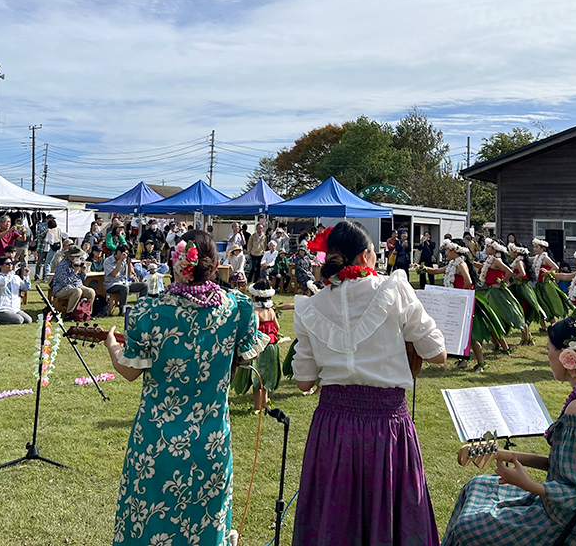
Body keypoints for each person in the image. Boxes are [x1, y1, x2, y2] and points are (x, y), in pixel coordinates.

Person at [103, 229, 267, 546]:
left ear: (175, 264)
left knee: (147, 523)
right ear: (215, 264)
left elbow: (128, 371)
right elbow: (248, 356)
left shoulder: (147, 312)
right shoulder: (237, 309)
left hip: (155, 441)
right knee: (206, 524)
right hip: (211, 440)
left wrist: (112, 347)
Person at [291, 221, 447, 545]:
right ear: (366, 256)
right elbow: (438, 353)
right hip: (386, 425)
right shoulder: (392, 289)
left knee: (335, 519)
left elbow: (304, 381)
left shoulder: (312, 305)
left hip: (333, 425)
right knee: (391, 515)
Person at [444, 317, 576, 546]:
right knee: (475, 486)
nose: (548, 359)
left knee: (467, 529)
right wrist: (500, 454)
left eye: (548, 351)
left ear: (568, 358)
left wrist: (528, 485)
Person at [417, 238, 487, 371]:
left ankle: (480, 363)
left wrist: (459, 295)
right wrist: (423, 268)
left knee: (470, 335)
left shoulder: (461, 264)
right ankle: (462, 361)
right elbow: (436, 271)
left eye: (448, 250)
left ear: (455, 251)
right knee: (458, 331)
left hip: (464, 304)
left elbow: (468, 281)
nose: (446, 252)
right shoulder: (452, 264)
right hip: (456, 303)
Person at [232, 279, 281, 413]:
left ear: (255, 296)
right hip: (272, 345)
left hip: (261, 346)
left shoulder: (256, 311)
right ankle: (265, 403)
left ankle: (257, 406)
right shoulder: (271, 310)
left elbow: (256, 327)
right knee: (267, 375)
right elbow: (278, 326)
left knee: (258, 377)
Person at [474, 239, 519, 354]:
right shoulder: (490, 260)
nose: (486, 249)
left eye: (488, 247)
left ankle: (505, 347)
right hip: (491, 292)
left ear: (494, 249)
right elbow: (483, 267)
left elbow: (509, 271)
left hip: (497, 293)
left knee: (494, 319)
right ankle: (497, 344)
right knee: (489, 318)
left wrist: (502, 282)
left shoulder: (497, 260)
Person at [507, 244, 545, 343]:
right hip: (521, 287)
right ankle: (527, 338)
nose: (510, 252)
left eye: (512, 251)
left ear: (517, 252)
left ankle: (527, 339)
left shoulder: (519, 261)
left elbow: (522, 274)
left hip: (521, 289)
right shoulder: (519, 260)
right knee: (522, 313)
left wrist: (514, 278)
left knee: (522, 313)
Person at [529, 238, 569, 324]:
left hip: (546, 285)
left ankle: (553, 323)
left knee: (547, 304)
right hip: (539, 284)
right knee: (539, 304)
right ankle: (543, 326)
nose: (534, 249)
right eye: (534, 247)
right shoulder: (537, 257)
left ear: (542, 248)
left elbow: (556, 267)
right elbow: (528, 258)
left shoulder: (545, 258)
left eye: (537, 247)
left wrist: (548, 272)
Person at [50, 245, 95, 316]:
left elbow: (82, 279)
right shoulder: (62, 265)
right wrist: (75, 272)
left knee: (91, 292)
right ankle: (69, 313)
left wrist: (83, 272)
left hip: (77, 286)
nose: (79, 258)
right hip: (62, 288)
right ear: (71, 257)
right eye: (77, 256)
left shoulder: (78, 263)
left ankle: (87, 313)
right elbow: (64, 282)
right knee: (77, 291)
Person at [0, 215, 21, 307]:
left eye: (9, 222)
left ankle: (10, 301)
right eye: (6, 222)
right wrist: (9, 230)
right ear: (0, 223)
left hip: (9, 260)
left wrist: (24, 233)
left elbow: (22, 239)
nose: (8, 224)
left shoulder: (13, 232)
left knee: (11, 281)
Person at [103, 245, 147, 315]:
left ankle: (140, 306)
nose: (125, 256)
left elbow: (128, 275)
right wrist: (120, 261)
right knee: (124, 288)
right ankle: (122, 310)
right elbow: (114, 274)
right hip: (112, 285)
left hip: (124, 283)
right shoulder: (108, 261)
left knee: (144, 285)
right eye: (124, 254)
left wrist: (129, 263)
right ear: (118, 252)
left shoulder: (124, 261)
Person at [0, 257, 32, 324]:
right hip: (2, 309)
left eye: (11, 263)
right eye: (7, 263)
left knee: (28, 320)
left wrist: (26, 276)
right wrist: (12, 272)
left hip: (15, 309)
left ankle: (6, 318)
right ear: (1, 266)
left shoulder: (16, 277)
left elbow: (26, 288)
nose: (10, 265)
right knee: (19, 320)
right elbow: (3, 284)